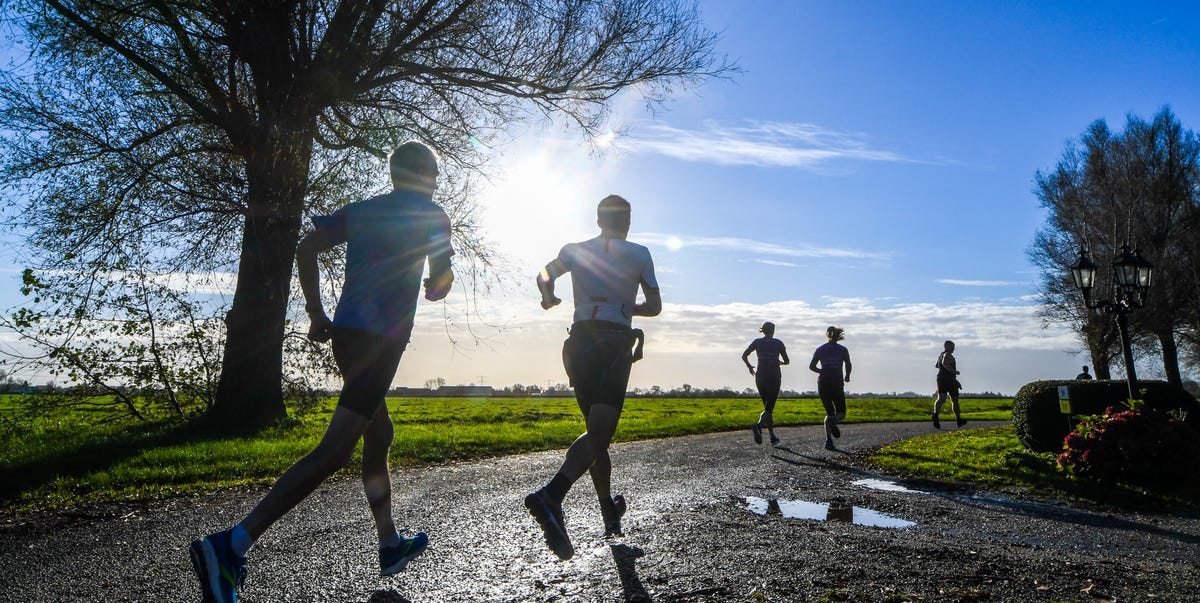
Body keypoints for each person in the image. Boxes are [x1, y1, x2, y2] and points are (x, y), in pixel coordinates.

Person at [188, 141, 455, 603]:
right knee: (334, 451)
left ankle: (390, 543)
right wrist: (434, 286)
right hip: (382, 341)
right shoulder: (434, 217)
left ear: (394, 174)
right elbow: (441, 281)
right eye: (436, 173)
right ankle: (231, 544)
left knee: (380, 434)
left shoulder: (362, 210)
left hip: (348, 334)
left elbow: (306, 247)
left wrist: (315, 311)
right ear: (428, 175)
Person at [525, 194, 661, 561]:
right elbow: (655, 306)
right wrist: (626, 306)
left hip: (578, 343)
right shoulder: (640, 253)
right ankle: (552, 495)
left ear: (598, 220)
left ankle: (608, 510)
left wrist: (549, 298)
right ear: (627, 222)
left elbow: (543, 275)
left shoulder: (575, 249)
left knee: (594, 436)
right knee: (600, 434)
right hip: (613, 345)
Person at [742, 322, 790, 447]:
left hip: (760, 375)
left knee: (767, 408)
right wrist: (780, 363)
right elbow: (787, 361)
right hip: (773, 376)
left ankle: (773, 437)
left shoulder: (757, 342)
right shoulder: (778, 343)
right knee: (769, 408)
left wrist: (749, 366)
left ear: (763, 331)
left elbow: (744, 355)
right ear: (773, 331)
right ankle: (758, 425)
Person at [809, 326, 851, 451]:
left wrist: (822, 371)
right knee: (841, 413)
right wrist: (847, 376)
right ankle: (833, 421)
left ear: (827, 334)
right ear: (838, 335)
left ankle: (828, 441)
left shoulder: (820, 349)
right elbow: (848, 364)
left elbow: (811, 366)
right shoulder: (842, 349)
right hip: (836, 382)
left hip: (823, 383)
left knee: (829, 412)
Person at [932, 340, 965, 429]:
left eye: (954, 347)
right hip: (948, 380)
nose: (953, 349)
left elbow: (937, 365)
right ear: (946, 346)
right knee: (954, 400)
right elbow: (944, 363)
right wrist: (954, 371)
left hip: (942, 379)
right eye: (952, 347)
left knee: (941, 398)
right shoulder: (947, 354)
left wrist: (949, 373)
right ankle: (958, 420)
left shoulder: (941, 355)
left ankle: (935, 415)